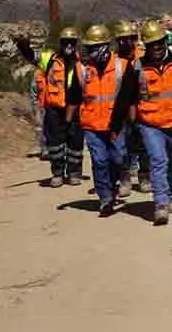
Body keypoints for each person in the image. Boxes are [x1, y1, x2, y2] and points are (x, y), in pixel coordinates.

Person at [110, 20, 172, 225]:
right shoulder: (136, 68)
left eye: (160, 42)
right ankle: (161, 204)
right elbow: (125, 98)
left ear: (165, 41)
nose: (156, 47)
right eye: (151, 44)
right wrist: (115, 125)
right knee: (158, 160)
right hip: (151, 123)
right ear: (146, 46)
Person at [66, 25, 129, 216]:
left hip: (115, 124)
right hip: (92, 124)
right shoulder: (82, 69)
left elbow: (127, 96)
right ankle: (106, 199)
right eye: (89, 47)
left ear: (105, 46)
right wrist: (68, 121)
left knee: (117, 158)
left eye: (96, 47)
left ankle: (114, 183)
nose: (92, 51)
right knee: (99, 161)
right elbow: (74, 96)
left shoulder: (122, 66)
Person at [15, 28, 83, 188]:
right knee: (55, 143)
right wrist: (23, 46)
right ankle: (57, 173)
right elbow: (32, 57)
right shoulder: (50, 58)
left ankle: (74, 173)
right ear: (61, 43)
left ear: (76, 44)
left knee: (75, 142)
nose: (69, 45)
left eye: (72, 42)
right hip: (54, 108)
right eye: (66, 42)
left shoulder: (82, 61)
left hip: (75, 108)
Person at [113, 19, 146, 196]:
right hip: (120, 109)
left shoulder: (143, 57)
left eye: (130, 38)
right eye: (122, 39)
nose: (127, 42)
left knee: (144, 145)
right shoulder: (114, 61)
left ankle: (144, 176)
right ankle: (124, 178)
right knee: (121, 147)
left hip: (143, 108)